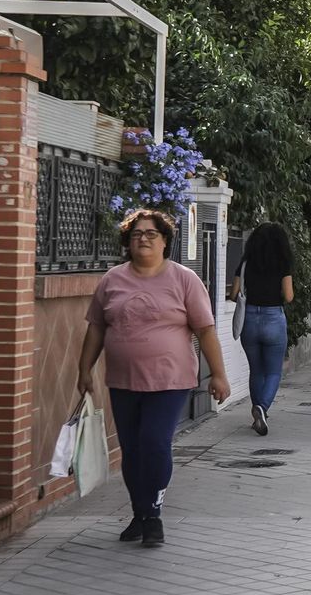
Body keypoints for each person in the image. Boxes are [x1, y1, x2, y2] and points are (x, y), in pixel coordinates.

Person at [78, 209, 229, 548]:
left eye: (151, 234)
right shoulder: (112, 280)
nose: (143, 238)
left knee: (154, 442)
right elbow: (97, 328)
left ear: (165, 242)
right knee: (131, 450)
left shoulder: (184, 279)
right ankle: (139, 513)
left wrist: (218, 374)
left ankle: (154, 515)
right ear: (127, 243)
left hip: (171, 380)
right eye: (136, 234)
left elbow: (205, 330)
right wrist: (84, 369)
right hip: (123, 379)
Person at [230, 223, 295, 436]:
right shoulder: (283, 263)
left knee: (256, 370)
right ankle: (262, 407)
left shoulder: (246, 263)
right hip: (273, 318)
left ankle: (257, 413)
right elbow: (288, 296)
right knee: (274, 371)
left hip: (249, 318)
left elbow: (234, 294)